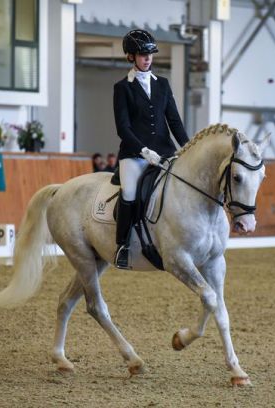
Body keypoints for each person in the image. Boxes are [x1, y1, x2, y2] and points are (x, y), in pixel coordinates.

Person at [113, 29, 189, 269]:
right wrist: (143, 150)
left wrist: (187, 147)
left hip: (165, 153)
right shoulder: (122, 88)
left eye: (150, 54)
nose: (147, 58)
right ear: (131, 57)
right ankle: (122, 246)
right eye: (142, 54)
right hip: (134, 156)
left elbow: (174, 121)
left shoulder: (162, 85)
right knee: (129, 193)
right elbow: (123, 128)